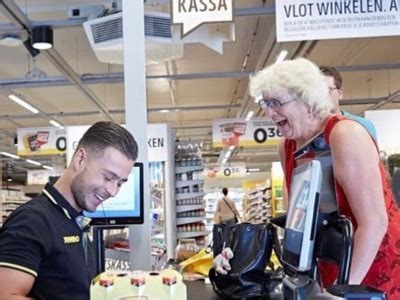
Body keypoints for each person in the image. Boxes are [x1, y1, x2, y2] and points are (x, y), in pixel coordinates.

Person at [247, 58, 400, 298]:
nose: (268, 112)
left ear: (307, 99)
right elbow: (297, 216)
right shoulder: (287, 146)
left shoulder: (345, 134)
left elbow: (374, 223)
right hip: (330, 260)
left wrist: (341, 292)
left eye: (275, 102)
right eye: (265, 103)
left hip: (371, 264)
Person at [0, 121, 138, 300]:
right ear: (80, 159)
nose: (112, 191)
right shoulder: (32, 221)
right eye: (108, 177)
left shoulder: (76, 221)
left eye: (119, 183)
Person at [319, 65, 378, 141]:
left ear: (340, 93)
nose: (322, 95)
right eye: (317, 91)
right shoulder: (306, 132)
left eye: (328, 90)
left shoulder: (363, 125)